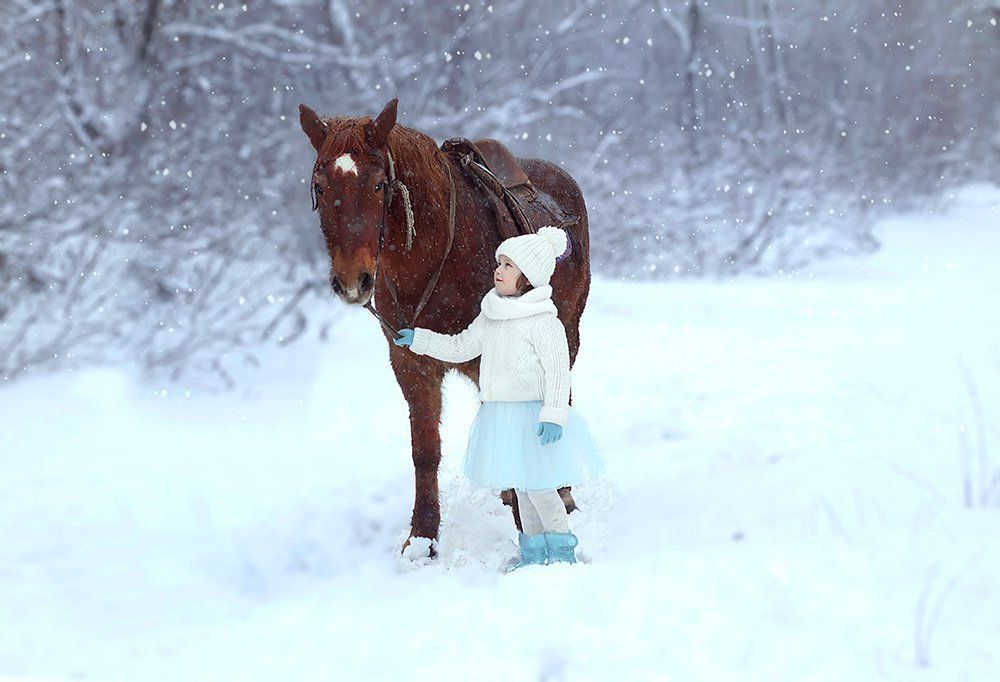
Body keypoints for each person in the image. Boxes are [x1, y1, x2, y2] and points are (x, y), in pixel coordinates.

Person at [393, 226, 606, 570]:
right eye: (499, 263)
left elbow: (557, 371)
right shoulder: (490, 315)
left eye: (508, 265)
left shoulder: (543, 321)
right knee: (522, 488)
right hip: (502, 415)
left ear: (528, 277)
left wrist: (554, 413)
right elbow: (461, 346)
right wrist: (419, 340)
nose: (498, 270)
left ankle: (562, 552)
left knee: (540, 488)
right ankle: (534, 552)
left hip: (533, 416)